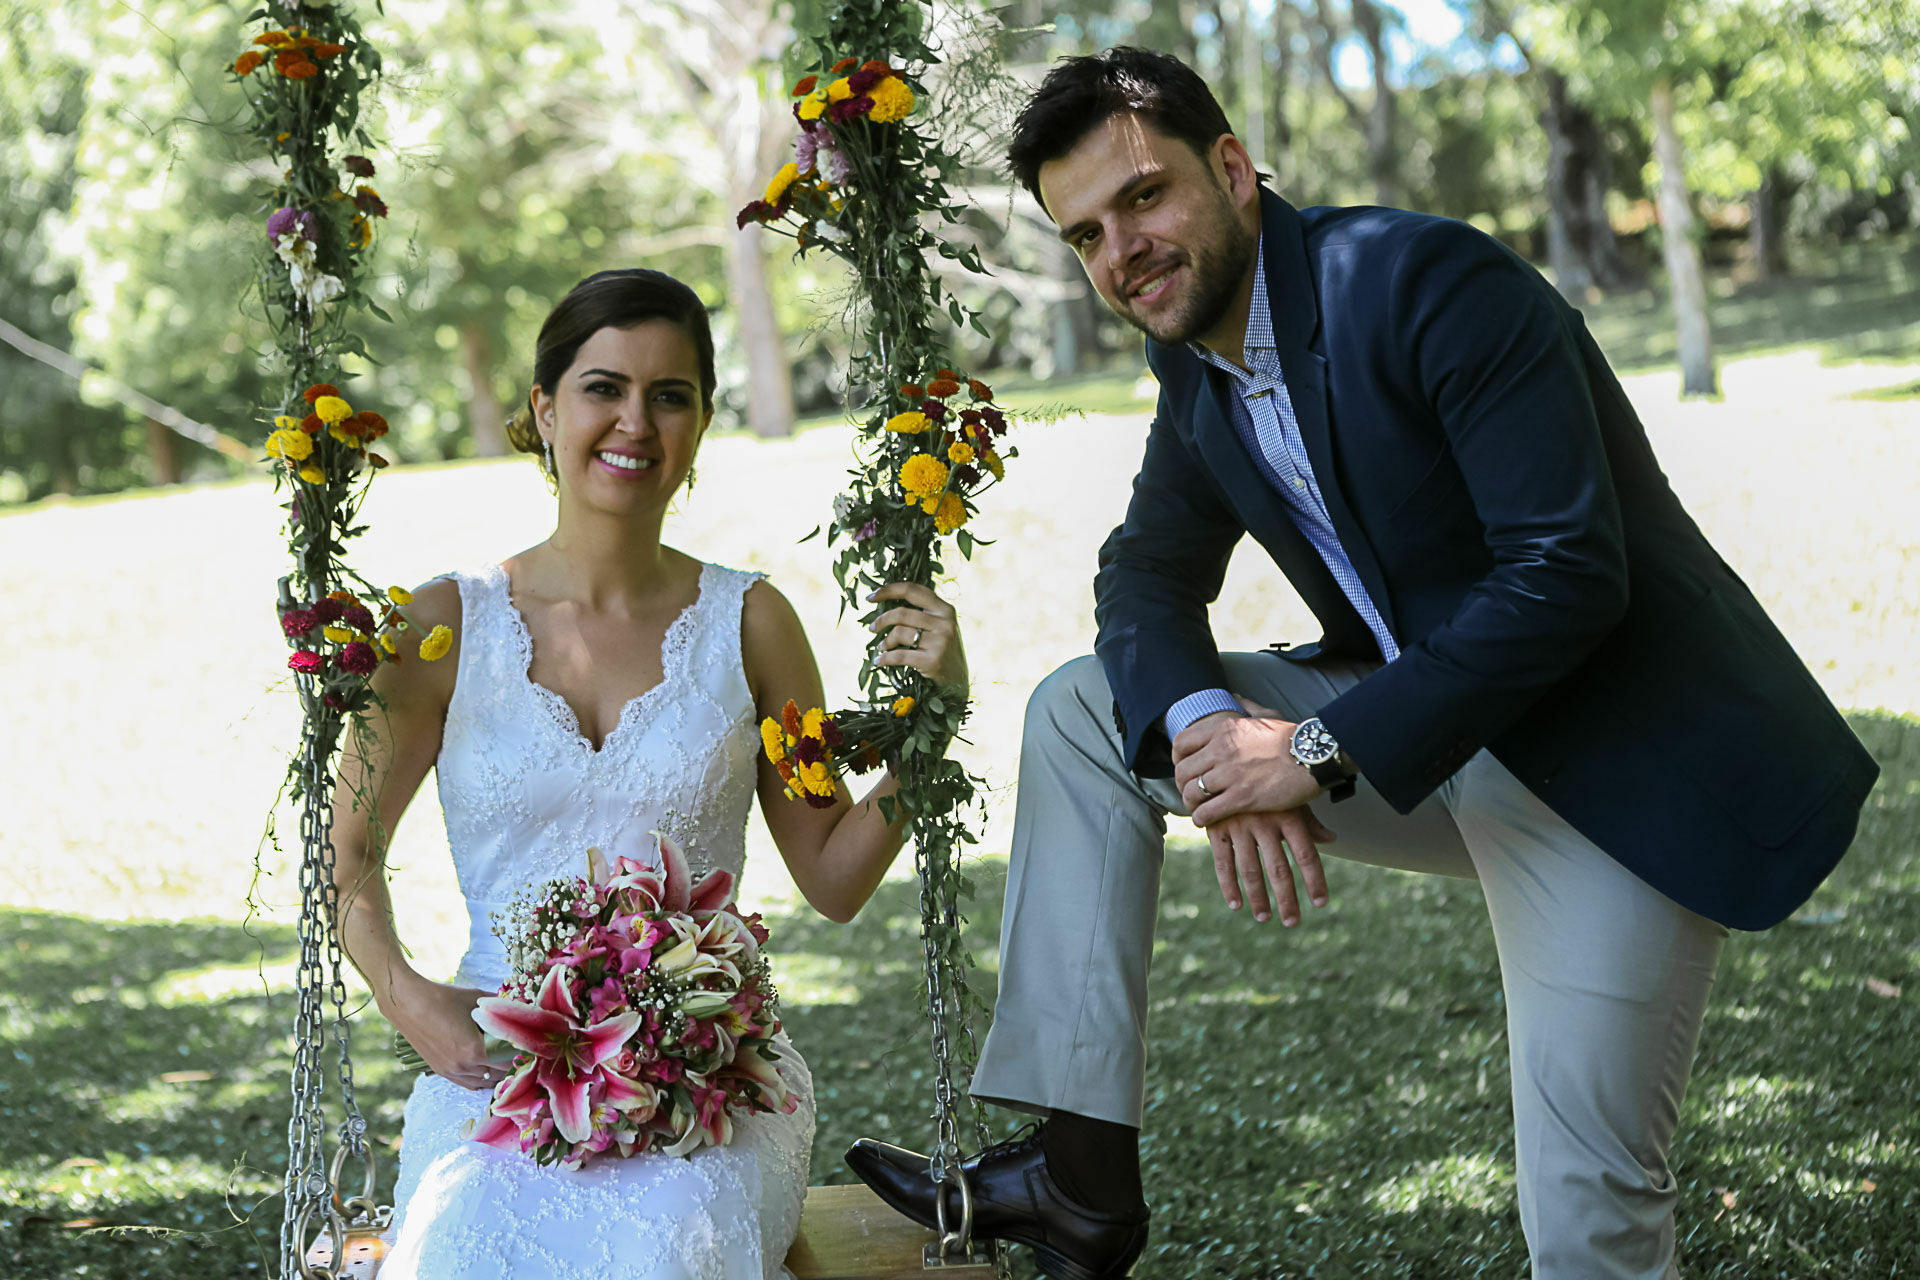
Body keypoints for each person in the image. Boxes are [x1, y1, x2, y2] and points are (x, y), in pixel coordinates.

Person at [846, 48, 1879, 1280]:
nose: (1122, 249)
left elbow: (1565, 573)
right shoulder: (1196, 364)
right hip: (1426, 746)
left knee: (1587, 1212)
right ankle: (1079, 1181)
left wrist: (1311, 751)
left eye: (1143, 196)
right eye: (1085, 235)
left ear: (1232, 168)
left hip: (1614, 772)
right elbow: (1144, 573)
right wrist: (1210, 737)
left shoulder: (1424, 281)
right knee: (1084, 710)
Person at [329, 268, 968, 1280]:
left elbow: (834, 877)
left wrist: (931, 724)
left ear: (703, 423)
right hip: (497, 1056)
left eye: (671, 394)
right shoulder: (442, 626)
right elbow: (345, 851)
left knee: (668, 1251)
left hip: (708, 1074)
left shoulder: (751, 624)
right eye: (603, 387)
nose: (636, 420)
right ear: (543, 409)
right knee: (456, 1251)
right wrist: (407, 993)